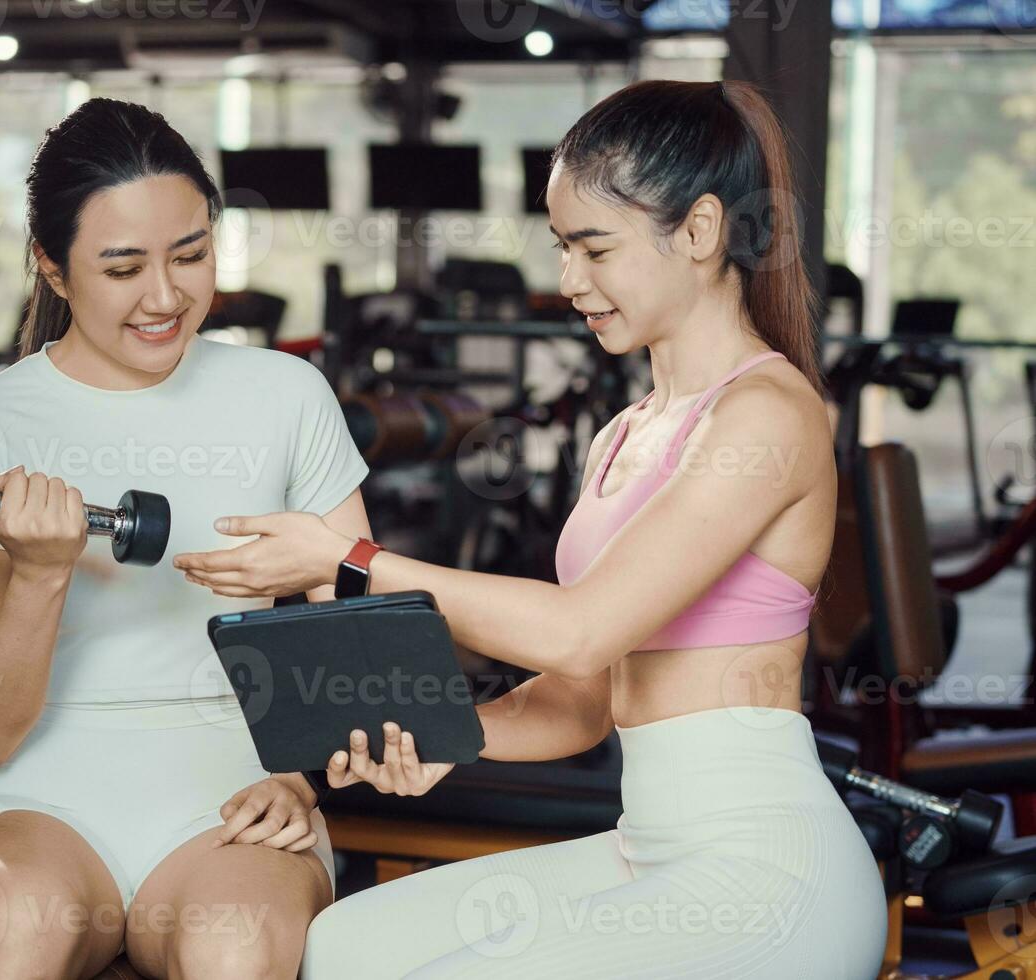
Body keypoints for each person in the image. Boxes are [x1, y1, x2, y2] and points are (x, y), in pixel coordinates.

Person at [174, 79, 887, 978]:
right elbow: (578, 699)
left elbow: (582, 628)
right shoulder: (625, 434)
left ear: (702, 232)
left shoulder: (768, 417)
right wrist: (440, 739)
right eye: (561, 248)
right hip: (650, 846)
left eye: (596, 248)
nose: (569, 282)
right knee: (347, 948)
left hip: (769, 873)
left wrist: (349, 558)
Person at [0, 98, 372, 980]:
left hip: (236, 793)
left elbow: (355, 639)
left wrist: (304, 778)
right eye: (123, 267)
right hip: (28, 796)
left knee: (235, 943)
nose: (165, 296)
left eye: (191, 255)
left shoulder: (287, 395)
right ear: (52, 267)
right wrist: (42, 577)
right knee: (18, 930)